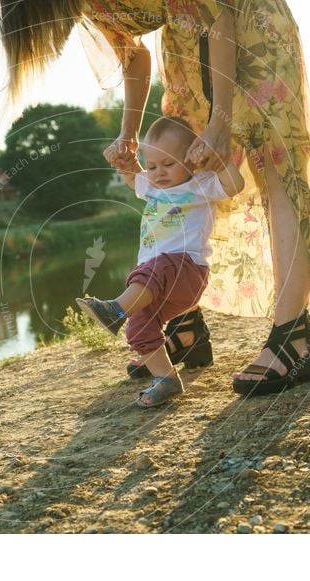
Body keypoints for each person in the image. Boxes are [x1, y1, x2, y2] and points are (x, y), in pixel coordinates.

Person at [0, 0, 310, 396]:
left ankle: (294, 337)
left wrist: (220, 123)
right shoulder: (88, 6)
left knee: (274, 166)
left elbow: (219, 17)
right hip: (185, 46)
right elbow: (133, 55)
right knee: (186, 164)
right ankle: (185, 329)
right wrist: (128, 133)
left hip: (244, 31)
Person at [76, 116, 244, 407]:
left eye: (168, 164)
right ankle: (165, 378)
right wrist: (126, 164)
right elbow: (133, 178)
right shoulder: (152, 187)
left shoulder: (201, 184)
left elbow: (235, 184)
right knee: (140, 324)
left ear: (191, 160)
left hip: (186, 271)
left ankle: (115, 309)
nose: (159, 173)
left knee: (154, 268)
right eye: (152, 166)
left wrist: (219, 160)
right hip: (155, 279)